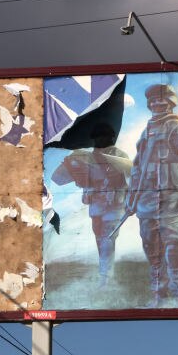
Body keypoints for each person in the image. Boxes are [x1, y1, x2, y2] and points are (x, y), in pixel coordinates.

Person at [125, 83, 178, 306]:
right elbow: (137, 169)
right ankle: (159, 296)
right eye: (152, 101)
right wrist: (131, 201)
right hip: (147, 202)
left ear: (171, 102)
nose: (156, 104)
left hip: (171, 200)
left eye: (161, 100)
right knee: (152, 250)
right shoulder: (147, 131)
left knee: (173, 249)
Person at [55, 123, 130, 288]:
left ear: (110, 138)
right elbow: (58, 178)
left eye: (104, 137)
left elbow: (130, 178)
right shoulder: (85, 157)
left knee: (107, 240)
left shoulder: (119, 155)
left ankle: (105, 278)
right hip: (95, 205)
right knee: (100, 239)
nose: (100, 140)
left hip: (114, 204)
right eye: (98, 138)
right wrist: (70, 165)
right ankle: (104, 274)